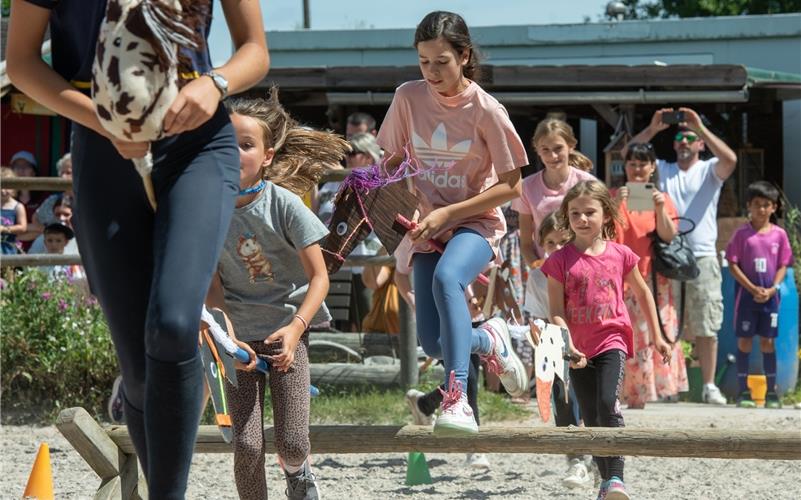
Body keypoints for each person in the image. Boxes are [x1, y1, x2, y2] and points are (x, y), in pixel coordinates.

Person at [7, 1, 269, 496]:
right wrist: (105, 120)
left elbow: (255, 51)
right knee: (138, 367)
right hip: (102, 147)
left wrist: (213, 84)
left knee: (172, 323)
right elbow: (21, 62)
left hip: (198, 144)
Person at [376, 10, 529, 435]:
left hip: (474, 224)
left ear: (464, 56)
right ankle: (491, 339)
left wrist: (447, 213)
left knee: (448, 279)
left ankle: (456, 397)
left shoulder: (487, 110)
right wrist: (377, 190)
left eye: (441, 62)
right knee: (433, 342)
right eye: (424, 62)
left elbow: (512, 188)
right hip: (425, 228)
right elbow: (389, 162)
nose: (432, 72)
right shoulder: (407, 97)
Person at [205, 89, 347, 500]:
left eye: (246, 145)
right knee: (246, 445)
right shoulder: (209, 210)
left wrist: (296, 327)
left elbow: (319, 277)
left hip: (288, 332)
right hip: (237, 340)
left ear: (266, 156)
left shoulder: (284, 204)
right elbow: (214, 285)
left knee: (292, 443)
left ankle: (299, 474)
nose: (234, 152)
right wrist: (225, 333)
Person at [541, 180, 672, 500]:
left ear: (606, 214)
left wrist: (658, 336)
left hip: (612, 339)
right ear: (566, 216)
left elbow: (643, 292)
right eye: (575, 213)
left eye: (589, 212)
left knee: (605, 404)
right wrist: (567, 343)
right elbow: (556, 311)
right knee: (590, 413)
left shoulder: (621, 254)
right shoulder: (558, 261)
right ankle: (604, 480)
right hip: (577, 348)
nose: (582, 219)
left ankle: (616, 478)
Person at [626, 107, 737, 405]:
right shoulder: (663, 169)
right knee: (666, 324)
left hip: (700, 254)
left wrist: (699, 127)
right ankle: (669, 385)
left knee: (706, 323)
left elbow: (731, 159)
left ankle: (710, 384)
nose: (685, 142)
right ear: (674, 145)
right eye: (680, 138)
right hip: (664, 255)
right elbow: (631, 155)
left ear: (700, 143)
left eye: (691, 138)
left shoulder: (709, 169)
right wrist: (652, 129)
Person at [394, 236, 491, 469]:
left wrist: (480, 299)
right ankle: (473, 448)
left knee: (464, 379)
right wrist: (414, 301)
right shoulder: (414, 239)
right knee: (466, 379)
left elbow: (489, 273)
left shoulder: (468, 237)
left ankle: (426, 403)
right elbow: (399, 274)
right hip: (443, 322)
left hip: (473, 319)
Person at [524, 212, 596, 489]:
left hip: (586, 340)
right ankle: (575, 456)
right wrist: (538, 332)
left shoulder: (586, 268)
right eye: (550, 242)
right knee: (562, 398)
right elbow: (538, 315)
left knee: (589, 399)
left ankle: (595, 454)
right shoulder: (537, 277)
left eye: (562, 241)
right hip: (554, 343)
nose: (555, 248)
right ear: (541, 244)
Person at [614, 143, 688, 408]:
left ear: (652, 166)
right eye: (632, 163)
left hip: (653, 276)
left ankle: (651, 390)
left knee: (653, 331)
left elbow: (669, 236)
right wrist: (615, 204)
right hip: (622, 275)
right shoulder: (615, 197)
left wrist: (658, 207)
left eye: (643, 163)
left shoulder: (663, 198)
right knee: (628, 333)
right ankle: (629, 393)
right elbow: (606, 234)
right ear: (625, 167)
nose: (637, 169)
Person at [725, 181, 793, 409]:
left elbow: (784, 264)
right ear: (749, 206)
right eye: (757, 205)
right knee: (744, 341)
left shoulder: (780, 235)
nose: (761, 210)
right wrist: (752, 288)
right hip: (746, 298)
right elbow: (732, 264)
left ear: (774, 207)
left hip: (770, 298)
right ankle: (743, 392)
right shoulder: (742, 235)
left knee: (768, 341)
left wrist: (773, 288)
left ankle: (772, 393)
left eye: (766, 205)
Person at [513, 118, 596, 265]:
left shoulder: (587, 183)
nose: (552, 156)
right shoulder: (526, 186)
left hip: (583, 267)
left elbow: (598, 235)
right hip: (546, 271)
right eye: (545, 149)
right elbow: (526, 244)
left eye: (558, 148)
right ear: (537, 150)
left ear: (570, 146)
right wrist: (539, 271)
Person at [19, 152, 74, 245]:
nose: (63, 177)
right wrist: (48, 230)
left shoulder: (89, 200)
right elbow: (36, 218)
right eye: (61, 173)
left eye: (68, 173)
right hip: (55, 250)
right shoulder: (53, 200)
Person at [1, 167, 28, 255]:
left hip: (8, 246)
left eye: (7, 187)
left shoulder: (18, 206)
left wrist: (4, 229)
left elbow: (23, 227)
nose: (3, 191)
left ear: (14, 188)